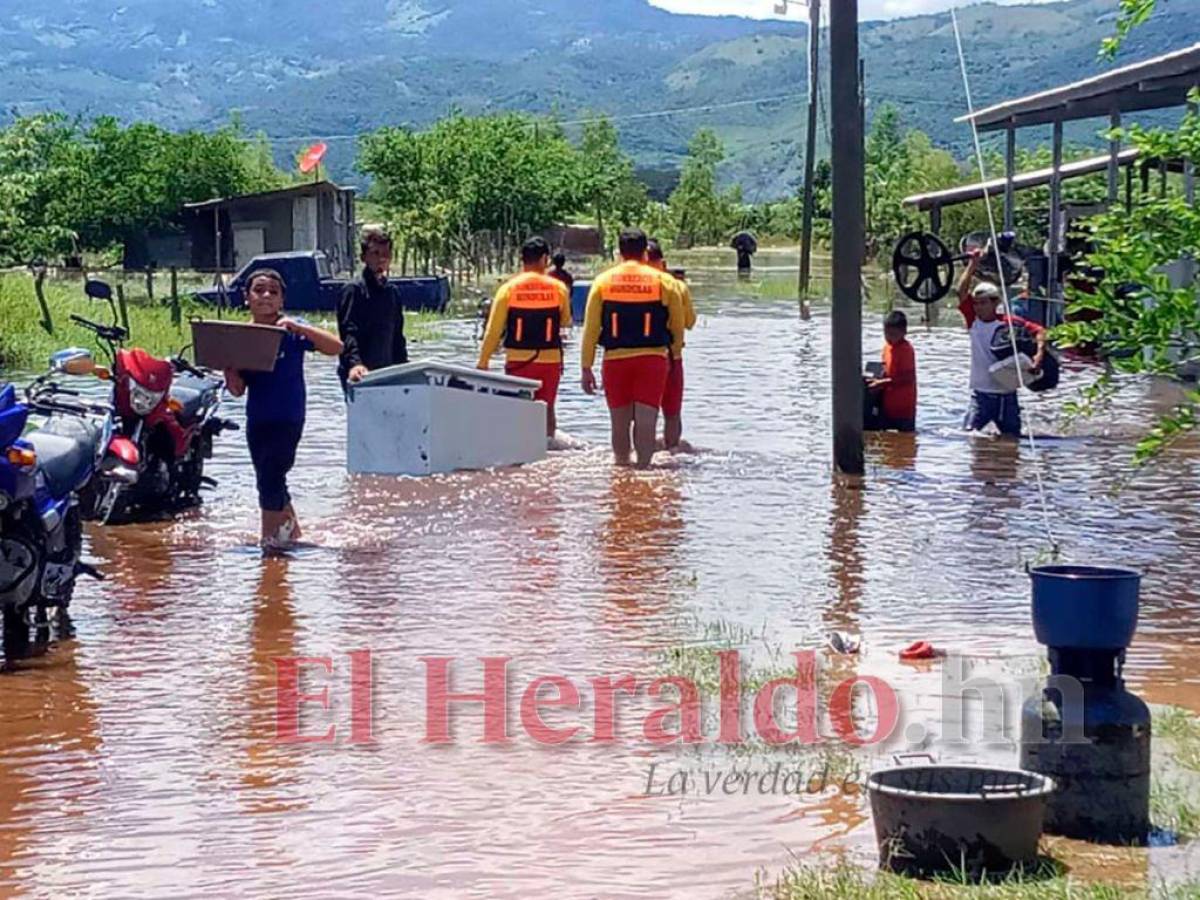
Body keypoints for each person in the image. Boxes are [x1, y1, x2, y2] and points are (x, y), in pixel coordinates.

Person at [224, 269, 343, 552]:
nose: (266, 296)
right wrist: (230, 370)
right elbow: (237, 390)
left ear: (282, 300)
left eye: (273, 292)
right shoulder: (240, 336)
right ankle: (293, 531)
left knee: (270, 479)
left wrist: (300, 328)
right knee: (268, 476)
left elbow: (336, 347)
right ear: (246, 297)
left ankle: (269, 543)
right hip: (257, 419)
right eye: (259, 290)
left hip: (288, 417)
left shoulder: (292, 329)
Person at [581, 228, 686, 469]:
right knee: (647, 421)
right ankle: (644, 471)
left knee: (619, 423)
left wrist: (586, 367)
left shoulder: (603, 281)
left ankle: (621, 470)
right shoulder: (665, 282)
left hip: (615, 360)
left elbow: (591, 329)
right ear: (645, 253)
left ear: (619, 253)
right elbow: (678, 327)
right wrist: (674, 355)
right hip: (653, 359)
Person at [477, 236, 572, 438]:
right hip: (550, 360)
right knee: (547, 408)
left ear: (522, 259)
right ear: (545, 259)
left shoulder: (508, 289)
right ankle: (549, 452)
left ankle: (521, 457)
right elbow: (565, 322)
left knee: (519, 411)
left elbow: (493, 331)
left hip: (518, 361)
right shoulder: (559, 288)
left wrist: (483, 362)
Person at [957, 249, 1047, 437]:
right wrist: (973, 264)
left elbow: (1040, 331)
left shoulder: (1008, 323)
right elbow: (961, 291)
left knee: (1013, 439)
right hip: (981, 397)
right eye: (976, 303)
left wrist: (1038, 356)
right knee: (968, 436)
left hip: (1007, 397)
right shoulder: (973, 321)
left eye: (984, 303)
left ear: (995, 302)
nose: (979, 307)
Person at [338, 229, 408, 391]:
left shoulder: (392, 292)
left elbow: (398, 337)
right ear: (364, 257)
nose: (381, 258)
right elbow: (348, 333)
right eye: (375, 253)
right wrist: (355, 364)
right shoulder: (353, 290)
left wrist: (404, 369)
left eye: (386, 253)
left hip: (388, 371)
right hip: (359, 373)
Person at [646, 238, 697, 451]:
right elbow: (690, 322)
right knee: (672, 412)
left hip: (641, 355)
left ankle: (641, 454)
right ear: (663, 263)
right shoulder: (677, 286)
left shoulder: (631, 286)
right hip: (672, 356)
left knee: (643, 413)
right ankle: (673, 453)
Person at [865, 310, 917, 433]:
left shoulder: (906, 350)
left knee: (906, 438)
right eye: (886, 333)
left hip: (904, 408)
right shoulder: (886, 348)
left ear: (904, 332)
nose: (889, 337)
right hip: (887, 405)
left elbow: (908, 378)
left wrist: (882, 383)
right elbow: (886, 371)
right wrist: (876, 380)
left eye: (893, 334)